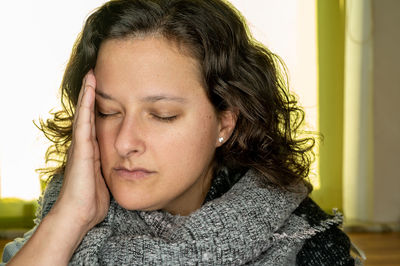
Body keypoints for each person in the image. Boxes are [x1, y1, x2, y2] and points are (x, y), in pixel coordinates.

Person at [2, 0, 360, 265]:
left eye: (162, 115)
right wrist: (70, 218)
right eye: (107, 111)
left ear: (225, 122)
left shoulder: (309, 248)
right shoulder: (52, 239)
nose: (124, 142)